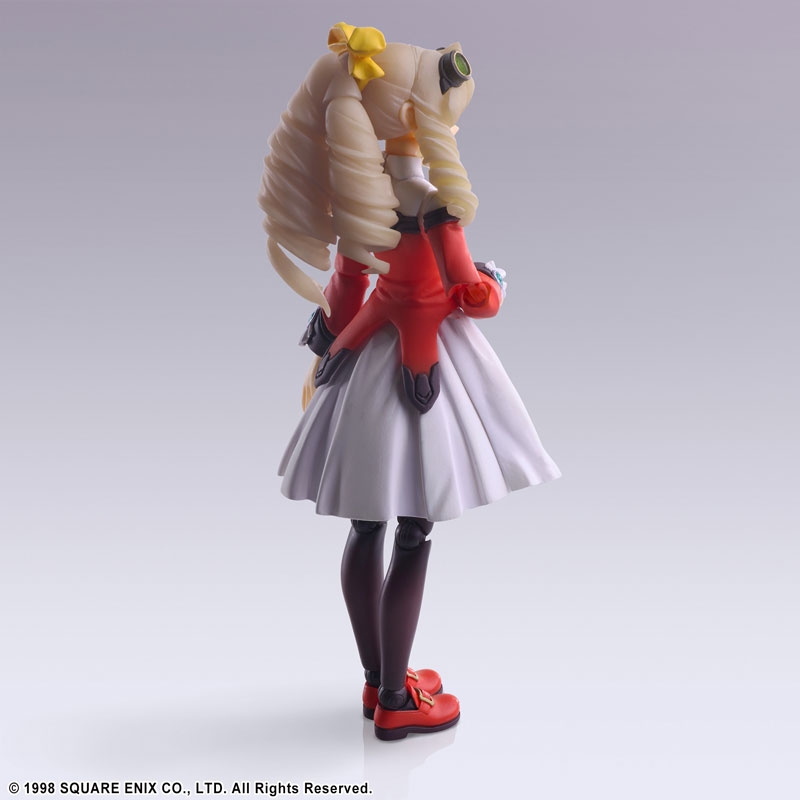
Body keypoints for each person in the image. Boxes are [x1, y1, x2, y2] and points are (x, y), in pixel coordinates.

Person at [258, 23, 561, 740]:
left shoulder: (358, 203)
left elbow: (343, 299)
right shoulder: (434, 205)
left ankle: (377, 680)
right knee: (415, 530)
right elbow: (473, 299)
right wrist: (492, 281)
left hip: (364, 366)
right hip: (420, 379)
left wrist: (330, 344)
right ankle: (398, 697)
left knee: (368, 523)